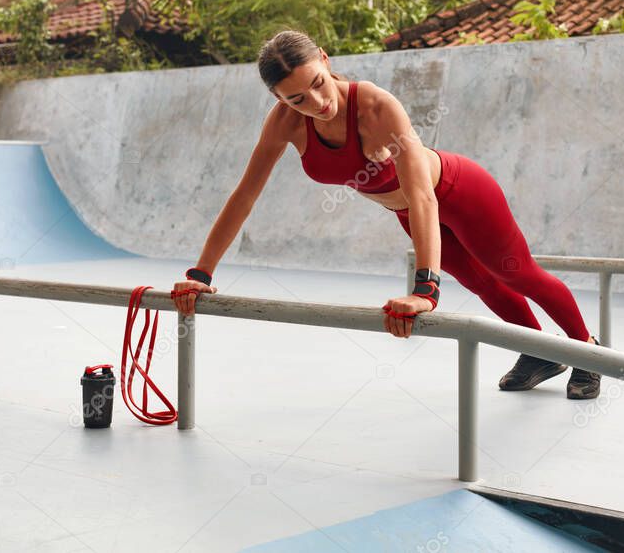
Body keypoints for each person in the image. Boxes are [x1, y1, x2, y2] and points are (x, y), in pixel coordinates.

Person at [170, 29, 601, 400]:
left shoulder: (375, 105)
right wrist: (201, 274)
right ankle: (540, 350)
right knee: (480, 281)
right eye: (297, 98)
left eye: (319, 84)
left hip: (457, 190)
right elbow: (245, 194)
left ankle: (586, 351)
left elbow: (423, 196)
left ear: (325, 59)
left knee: (513, 273)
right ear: (278, 97)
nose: (317, 102)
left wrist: (425, 290)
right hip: (406, 210)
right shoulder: (284, 122)